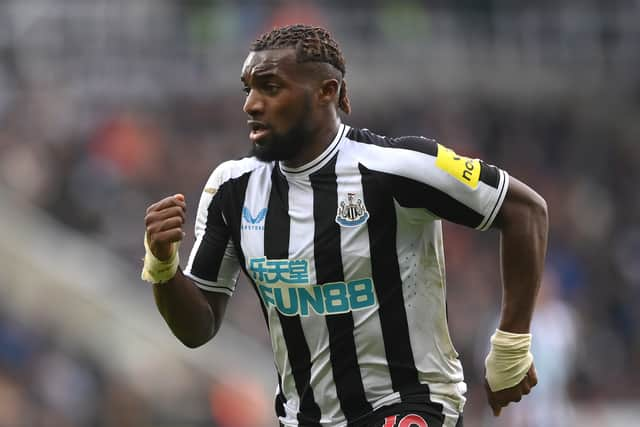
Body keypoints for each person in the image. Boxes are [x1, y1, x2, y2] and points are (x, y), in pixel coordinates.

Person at [142, 24, 548, 427]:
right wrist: (162, 265)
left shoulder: (395, 167)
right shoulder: (232, 189)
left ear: (326, 92)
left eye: (270, 87)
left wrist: (511, 344)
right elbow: (198, 327)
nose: (251, 103)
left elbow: (524, 210)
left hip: (412, 407)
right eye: (247, 88)